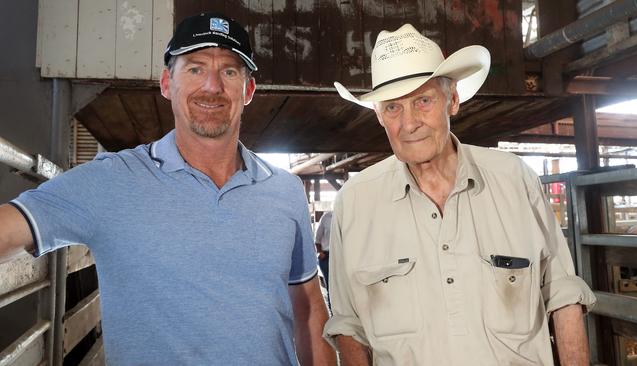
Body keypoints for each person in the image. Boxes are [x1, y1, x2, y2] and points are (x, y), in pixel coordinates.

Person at [0, 12, 335, 365]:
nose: (212, 86)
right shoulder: (115, 180)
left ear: (248, 90)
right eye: (195, 68)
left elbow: (310, 307)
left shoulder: (285, 190)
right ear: (166, 83)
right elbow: (8, 229)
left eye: (230, 71)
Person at [323, 24, 597, 365]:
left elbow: (563, 294)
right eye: (393, 108)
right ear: (379, 115)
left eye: (423, 101)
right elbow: (349, 328)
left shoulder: (514, 179)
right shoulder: (355, 203)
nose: (409, 123)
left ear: (452, 100)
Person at [314, 211, 333, 288]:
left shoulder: (348, 216)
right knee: (331, 287)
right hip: (326, 256)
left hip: (342, 257)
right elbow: (317, 238)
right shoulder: (327, 217)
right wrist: (319, 252)